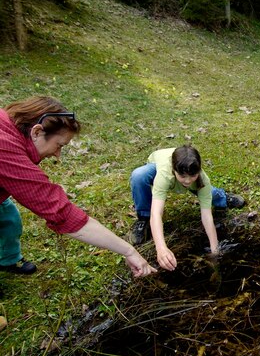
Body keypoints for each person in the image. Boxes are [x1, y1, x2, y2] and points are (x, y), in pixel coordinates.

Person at [0, 96, 157, 276]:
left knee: (8, 217)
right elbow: (61, 213)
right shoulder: (5, 149)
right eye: (59, 145)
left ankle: (8, 259)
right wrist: (128, 250)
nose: (57, 155)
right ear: (36, 132)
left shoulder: (7, 122)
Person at [129, 145, 245, 271]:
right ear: (174, 170)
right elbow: (156, 213)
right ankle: (143, 219)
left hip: (187, 172)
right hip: (157, 165)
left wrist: (215, 249)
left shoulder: (201, 178)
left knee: (211, 194)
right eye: (183, 176)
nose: (188, 181)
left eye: (193, 176)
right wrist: (161, 248)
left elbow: (206, 215)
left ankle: (223, 198)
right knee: (138, 175)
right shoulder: (164, 175)